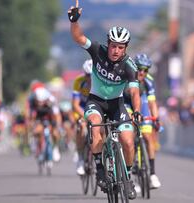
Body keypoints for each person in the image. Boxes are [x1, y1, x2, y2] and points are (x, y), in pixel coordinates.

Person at [68, 4, 141, 199]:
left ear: (125, 48)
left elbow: (134, 93)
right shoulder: (97, 51)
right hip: (96, 101)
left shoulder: (129, 66)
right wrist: (74, 22)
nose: (116, 50)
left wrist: (136, 111)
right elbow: (78, 37)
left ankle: (127, 177)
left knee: (128, 141)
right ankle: (100, 168)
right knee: (94, 125)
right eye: (113, 46)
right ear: (108, 44)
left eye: (120, 47)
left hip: (117, 105)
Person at [124, 53, 161, 190]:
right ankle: (132, 165)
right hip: (128, 103)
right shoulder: (128, 77)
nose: (142, 72)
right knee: (129, 133)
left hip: (142, 104)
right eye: (139, 69)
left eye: (145, 70)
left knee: (148, 137)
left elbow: (152, 103)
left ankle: (152, 173)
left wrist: (156, 118)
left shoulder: (149, 81)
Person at [72, 59, 92, 175]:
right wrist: (85, 116)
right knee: (81, 128)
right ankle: (80, 157)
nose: (90, 78)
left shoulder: (100, 81)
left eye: (92, 75)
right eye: (88, 75)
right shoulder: (79, 81)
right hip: (81, 108)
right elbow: (75, 104)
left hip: (95, 107)